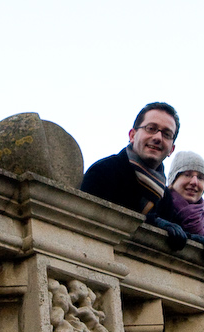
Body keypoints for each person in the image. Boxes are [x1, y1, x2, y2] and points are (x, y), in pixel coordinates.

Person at [80, 102, 188, 249]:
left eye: (167, 134)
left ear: (171, 149)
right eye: (151, 129)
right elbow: (88, 223)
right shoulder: (103, 171)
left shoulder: (165, 197)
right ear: (132, 135)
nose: (158, 137)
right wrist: (152, 222)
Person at [156, 150, 204, 260]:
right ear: (173, 180)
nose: (194, 182)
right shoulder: (158, 203)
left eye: (200, 177)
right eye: (187, 175)